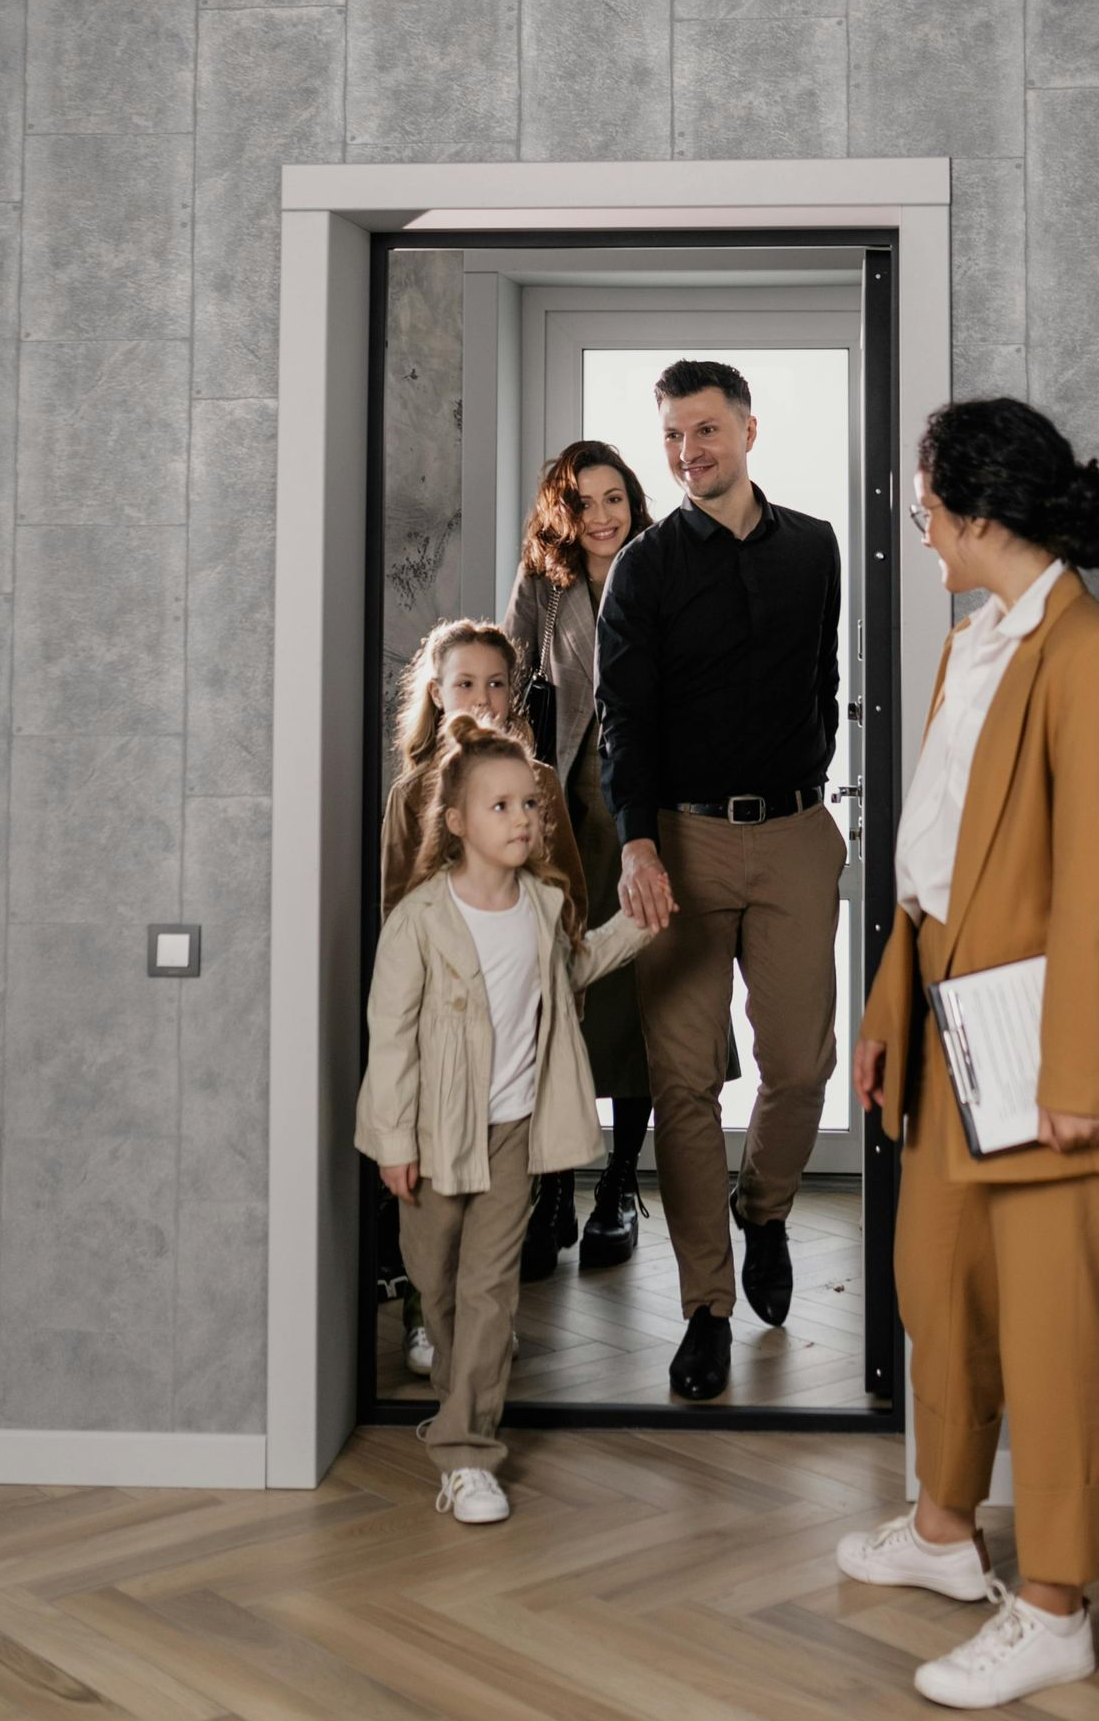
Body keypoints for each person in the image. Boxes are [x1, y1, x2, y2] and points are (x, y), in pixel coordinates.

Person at [836, 398, 1099, 1710]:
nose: (916, 524)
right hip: (941, 1023)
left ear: (976, 511)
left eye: (925, 503)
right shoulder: (970, 644)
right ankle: (943, 1532)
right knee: (940, 1290)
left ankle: (1056, 1604)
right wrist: (882, 1008)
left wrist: (1080, 1078)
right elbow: (928, 855)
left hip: (1044, 1048)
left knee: (1053, 1332)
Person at [596, 358, 845, 1403]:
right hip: (682, 846)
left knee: (799, 1058)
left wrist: (811, 781)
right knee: (686, 1077)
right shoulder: (643, 570)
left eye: (704, 430)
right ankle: (706, 1303)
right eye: (672, 436)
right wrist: (639, 846)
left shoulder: (818, 548)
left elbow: (827, 676)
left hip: (794, 831)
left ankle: (768, 1205)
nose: (688, 451)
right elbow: (625, 722)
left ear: (747, 428)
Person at [357, 713, 661, 1524]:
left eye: (530, 804)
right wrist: (392, 1142)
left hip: (513, 1129)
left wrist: (637, 925)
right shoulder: (419, 920)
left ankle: (466, 1452)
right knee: (438, 1282)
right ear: (455, 821)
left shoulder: (544, 906)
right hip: (430, 1137)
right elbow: (388, 1039)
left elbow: (577, 969)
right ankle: (460, 1396)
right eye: (501, 806)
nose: (522, 818)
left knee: (491, 1290)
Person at [380, 618, 586, 1366]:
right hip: (444, 1031)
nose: (484, 696)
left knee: (503, 1192)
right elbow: (395, 908)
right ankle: (424, 1316)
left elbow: (572, 900)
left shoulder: (543, 789)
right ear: (437, 695)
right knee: (438, 1194)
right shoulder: (412, 798)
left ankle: (488, 1319)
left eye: (497, 682)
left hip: (522, 1024)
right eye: (465, 683)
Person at [504, 442, 659, 1277]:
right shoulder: (543, 581)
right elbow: (510, 678)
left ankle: (621, 1186)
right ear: (562, 511)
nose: (603, 514)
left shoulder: (665, 563)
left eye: (615, 496)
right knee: (557, 995)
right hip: (562, 810)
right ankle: (555, 1192)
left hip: (641, 809)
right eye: (585, 501)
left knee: (631, 998)